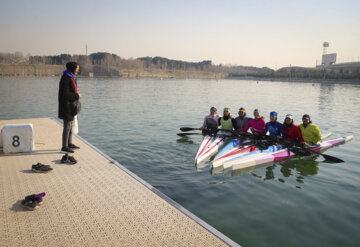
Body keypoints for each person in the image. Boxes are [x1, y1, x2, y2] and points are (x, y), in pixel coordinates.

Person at [58, 62, 82, 153]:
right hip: (66, 106)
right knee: (67, 126)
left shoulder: (72, 77)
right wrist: (77, 96)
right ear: (72, 69)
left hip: (71, 106)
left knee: (71, 125)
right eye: (76, 69)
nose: (77, 71)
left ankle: (69, 143)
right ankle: (64, 146)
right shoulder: (66, 78)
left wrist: (76, 97)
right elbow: (65, 94)